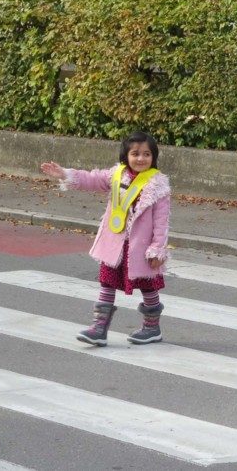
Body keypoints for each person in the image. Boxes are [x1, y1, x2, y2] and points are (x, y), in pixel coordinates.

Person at [41, 131, 171, 345]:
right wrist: (64, 173)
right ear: (125, 156)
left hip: (142, 247)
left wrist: (158, 248)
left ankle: (151, 327)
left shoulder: (158, 184)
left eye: (146, 154)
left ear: (153, 157)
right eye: (135, 154)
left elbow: (161, 221)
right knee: (107, 282)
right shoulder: (116, 175)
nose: (140, 158)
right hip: (116, 244)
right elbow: (91, 179)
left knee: (148, 286)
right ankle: (99, 328)